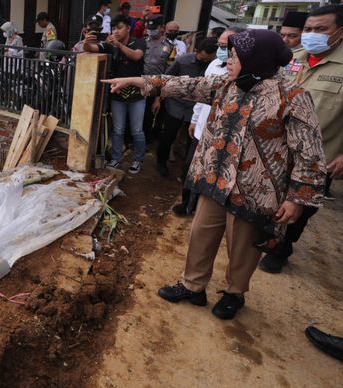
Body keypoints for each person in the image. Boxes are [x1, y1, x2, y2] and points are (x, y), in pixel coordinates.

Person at [103, 29, 326, 320]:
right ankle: (193, 286)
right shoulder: (226, 85)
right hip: (216, 178)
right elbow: (183, 84)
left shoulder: (292, 96)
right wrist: (136, 80)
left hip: (255, 189)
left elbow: (310, 153)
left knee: (243, 247)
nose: (228, 61)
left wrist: (298, 198)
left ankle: (235, 293)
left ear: (257, 59)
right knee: (201, 235)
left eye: (235, 56)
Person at [259, 4, 343, 273]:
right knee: (271, 197)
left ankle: (282, 248)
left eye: (320, 29)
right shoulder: (291, 58)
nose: (312, 34)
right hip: (278, 148)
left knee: (301, 206)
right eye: (308, 29)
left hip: (319, 157)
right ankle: (267, 236)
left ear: (342, 31)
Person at [175, 25, 247, 216]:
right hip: (202, 128)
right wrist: (194, 119)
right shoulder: (214, 65)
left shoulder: (247, 70)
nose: (222, 50)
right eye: (220, 46)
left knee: (211, 173)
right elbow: (200, 94)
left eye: (226, 46)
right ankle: (186, 203)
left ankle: (201, 208)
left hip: (224, 135)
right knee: (190, 167)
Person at [155, 37, 217, 178]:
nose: (204, 62)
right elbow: (165, 79)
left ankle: (187, 171)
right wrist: (158, 99)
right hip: (176, 105)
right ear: (196, 51)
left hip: (197, 108)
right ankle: (161, 162)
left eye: (208, 60)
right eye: (202, 59)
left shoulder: (214, 66)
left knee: (193, 141)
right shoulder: (182, 61)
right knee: (168, 136)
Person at [106, 14, 148, 174]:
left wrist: (118, 44)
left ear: (128, 28)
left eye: (119, 27)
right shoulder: (110, 44)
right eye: (114, 28)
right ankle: (116, 159)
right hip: (117, 94)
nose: (115, 31)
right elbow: (94, 49)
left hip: (137, 95)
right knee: (118, 129)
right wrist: (88, 42)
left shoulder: (139, 42)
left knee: (137, 130)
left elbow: (136, 56)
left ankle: (138, 160)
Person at [142, 14, 173, 143]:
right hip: (139, 84)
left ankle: (146, 142)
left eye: (154, 27)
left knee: (149, 118)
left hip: (156, 87)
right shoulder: (142, 42)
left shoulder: (170, 47)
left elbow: (168, 72)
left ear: (162, 27)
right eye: (149, 28)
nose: (151, 30)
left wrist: (158, 98)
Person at [279, 11, 308, 83]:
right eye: (282, 35)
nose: (285, 40)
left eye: (291, 36)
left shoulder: (309, 56)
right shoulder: (277, 54)